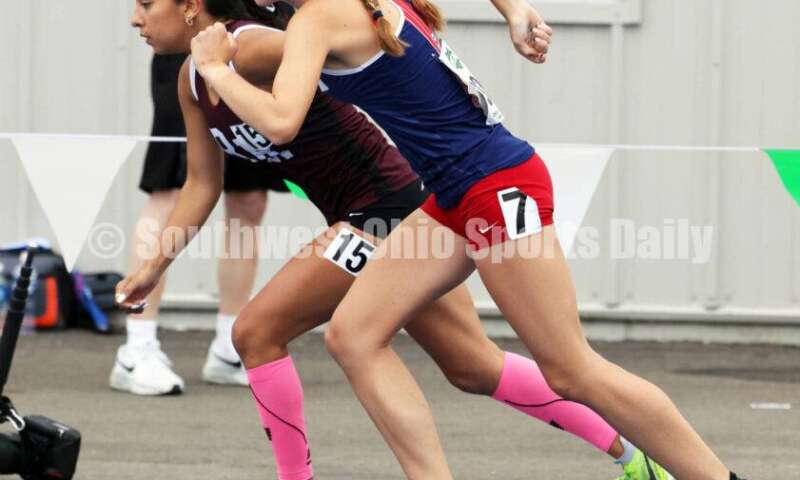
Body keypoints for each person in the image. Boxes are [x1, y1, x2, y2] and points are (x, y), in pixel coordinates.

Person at [188, 0, 748, 478]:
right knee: (354, 337)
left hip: (496, 187)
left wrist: (216, 70)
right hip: (453, 197)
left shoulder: (320, 16)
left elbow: (282, 121)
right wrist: (514, 9)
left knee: (571, 369)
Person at [111, 51, 289, 396]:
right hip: (192, 50)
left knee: (250, 197)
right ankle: (137, 348)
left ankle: (229, 346)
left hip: (248, 53)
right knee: (171, 192)